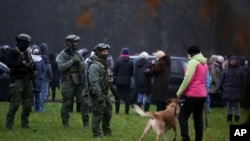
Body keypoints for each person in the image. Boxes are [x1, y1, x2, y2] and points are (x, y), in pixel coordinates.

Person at [5, 33, 38, 129]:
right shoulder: (12, 52)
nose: (28, 45)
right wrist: (22, 63)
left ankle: (25, 124)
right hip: (17, 80)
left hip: (27, 80)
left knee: (28, 104)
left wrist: (34, 70)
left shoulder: (27, 53)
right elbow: (9, 63)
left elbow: (31, 65)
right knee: (15, 104)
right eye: (26, 43)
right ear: (21, 42)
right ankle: (9, 125)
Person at [56, 34, 89, 128]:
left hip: (79, 81)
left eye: (77, 42)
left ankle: (86, 124)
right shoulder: (63, 54)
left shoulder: (78, 53)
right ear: (69, 43)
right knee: (67, 102)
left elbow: (82, 66)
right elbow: (60, 67)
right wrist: (71, 62)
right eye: (74, 42)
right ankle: (65, 123)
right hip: (68, 81)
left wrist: (83, 65)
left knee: (84, 102)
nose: (76, 44)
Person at [176, 45, 208, 141]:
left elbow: (188, 79)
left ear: (190, 53)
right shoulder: (204, 63)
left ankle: (185, 139)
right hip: (202, 94)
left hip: (193, 94)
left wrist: (179, 92)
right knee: (198, 119)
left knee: (182, 117)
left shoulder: (192, 62)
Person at [88, 43, 116, 137]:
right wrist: (99, 95)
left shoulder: (105, 64)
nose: (106, 53)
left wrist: (114, 90)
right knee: (98, 114)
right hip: (97, 94)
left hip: (105, 93)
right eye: (104, 51)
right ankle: (96, 135)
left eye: (107, 51)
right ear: (99, 52)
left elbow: (109, 79)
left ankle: (107, 133)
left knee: (108, 113)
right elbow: (94, 82)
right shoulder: (95, 66)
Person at [215, 56, 246, 122]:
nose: (233, 61)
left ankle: (237, 118)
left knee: (237, 105)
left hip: (237, 90)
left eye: (234, 60)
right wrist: (217, 88)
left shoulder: (241, 70)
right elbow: (221, 80)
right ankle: (229, 118)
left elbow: (244, 81)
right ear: (229, 61)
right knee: (229, 105)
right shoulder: (226, 70)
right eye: (232, 60)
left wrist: (243, 90)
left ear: (237, 61)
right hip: (228, 90)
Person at [113, 47, 134, 114]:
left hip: (118, 81)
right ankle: (126, 112)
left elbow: (114, 71)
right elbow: (131, 73)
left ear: (121, 53)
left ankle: (117, 111)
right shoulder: (131, 62)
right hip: (127, 81)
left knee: (118, 96)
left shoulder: (118, 61)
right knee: (127, 96)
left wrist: (116, 77)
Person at [31, 45, 46, 112]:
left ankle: (37, 109)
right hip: (31, 80)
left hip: (38, 81)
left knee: (37, 95)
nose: (36, 53)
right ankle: (29, 109)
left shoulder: (41, 60)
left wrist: (41, 77)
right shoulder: (30, 59)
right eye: (35, 51)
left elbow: (43, 70)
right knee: (30, 95)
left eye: (37, 52)